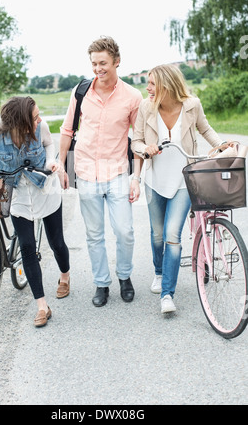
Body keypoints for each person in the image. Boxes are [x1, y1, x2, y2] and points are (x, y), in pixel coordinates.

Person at [131, 64, 231, 314]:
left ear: (167, 84)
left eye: (152, 83)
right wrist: (145, 149)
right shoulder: (146, 107)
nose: (148, 88)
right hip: (155, 181)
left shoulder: (191, 105)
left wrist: (221, 147)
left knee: (172, 235)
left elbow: (204, 128)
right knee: (157, 235)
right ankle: (158, 270)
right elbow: (136, 141)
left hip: (184, 181)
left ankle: (167, 294)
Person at [0, 96, 70, 327]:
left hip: (44, 187)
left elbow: (48, 144)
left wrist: (52, 163)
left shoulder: (40, 128)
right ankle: (42, 306)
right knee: (27, 247)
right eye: (34, 117)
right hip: (17, 194)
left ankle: (65, 276)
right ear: (20, 121)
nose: (40, 119)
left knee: (57, 243)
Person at [59, 36, 142, 307]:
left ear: (117, 62)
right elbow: (67, 130)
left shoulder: (132, 96)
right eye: (94, 63)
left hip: (117, 172)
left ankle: (125, 277)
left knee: (125, 231)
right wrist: (62, 165)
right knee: (94, 234)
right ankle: (101, 283)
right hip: (85, 172)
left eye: (103, 63)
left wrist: (136, 177)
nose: (98, 69)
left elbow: (138, 138)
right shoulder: (81, 91)